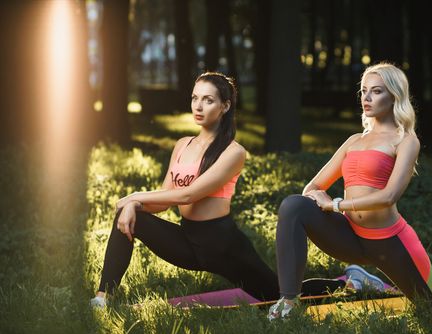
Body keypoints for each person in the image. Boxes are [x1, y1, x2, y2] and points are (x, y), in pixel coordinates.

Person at [268, 62, 432, 320]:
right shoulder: (354, 141)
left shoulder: (406, 141)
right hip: (350, 236)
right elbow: (313, 187)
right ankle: (288, 303)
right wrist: (322, 200)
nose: (366, 97)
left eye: (376, 91)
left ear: (395, 95)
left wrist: (336, 205)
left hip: (391, 242)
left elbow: (389, 196)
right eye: (363, 91)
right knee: (294, 205)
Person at [90, 72, 347, 308]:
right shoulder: (182, 145)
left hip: (224, 246)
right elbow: (165, 200)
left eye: (208, 100)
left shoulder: (233, 152)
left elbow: (189, 194)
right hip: (187, 242)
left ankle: (349, 282)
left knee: (281, 296)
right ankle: (102, 298)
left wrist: (134, 197)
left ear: (225, 106)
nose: (198, 106)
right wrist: (134, 206)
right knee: (127, 218)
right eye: (195, 98)